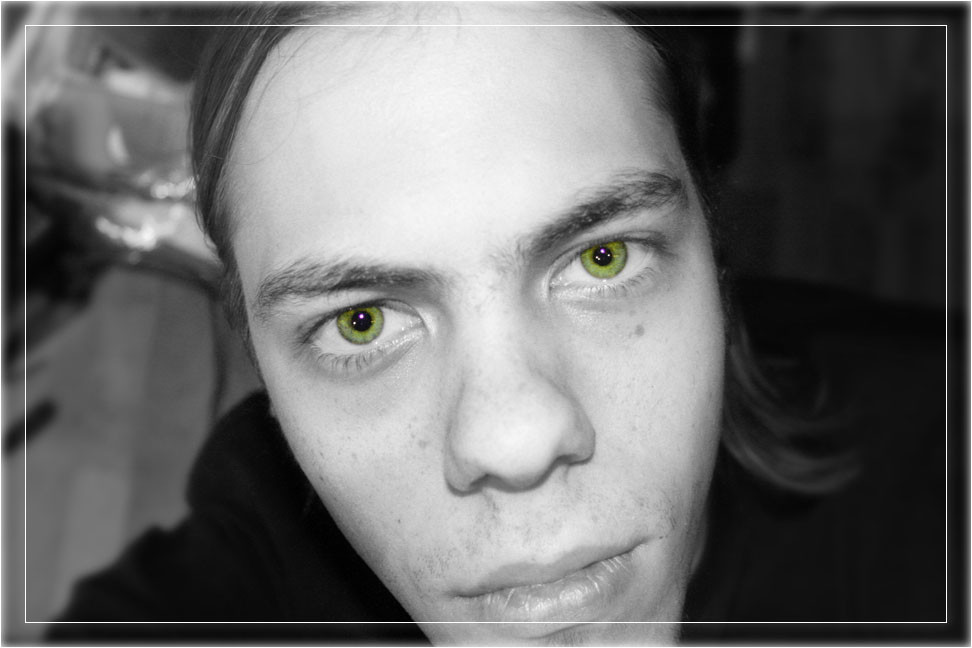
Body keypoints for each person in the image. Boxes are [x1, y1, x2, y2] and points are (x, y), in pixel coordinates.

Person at [49, 3, 947, 645]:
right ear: (266, 377)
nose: (514, 442)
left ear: (711, 245)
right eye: (360, 322)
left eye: (603, 258)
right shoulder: (240, 565)